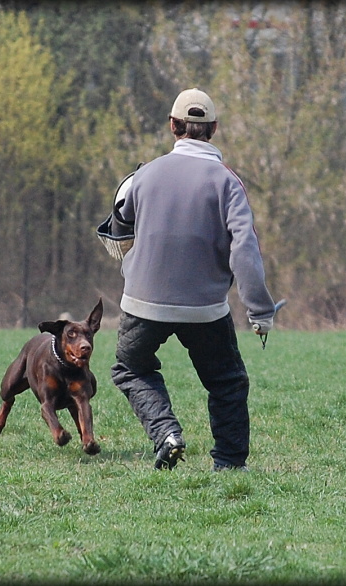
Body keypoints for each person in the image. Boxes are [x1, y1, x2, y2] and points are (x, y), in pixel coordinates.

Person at [111, 87, 276, 472]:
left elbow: (119, 228)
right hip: (204, 309)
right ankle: (230, 465)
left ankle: (167, 434)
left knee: (130, 368)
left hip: (142, 302)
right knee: (227, 383)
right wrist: (260, 312)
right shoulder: (227, 181)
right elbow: (245, 250)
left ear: (172, 126)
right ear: (214, 129)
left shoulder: (143, 174)